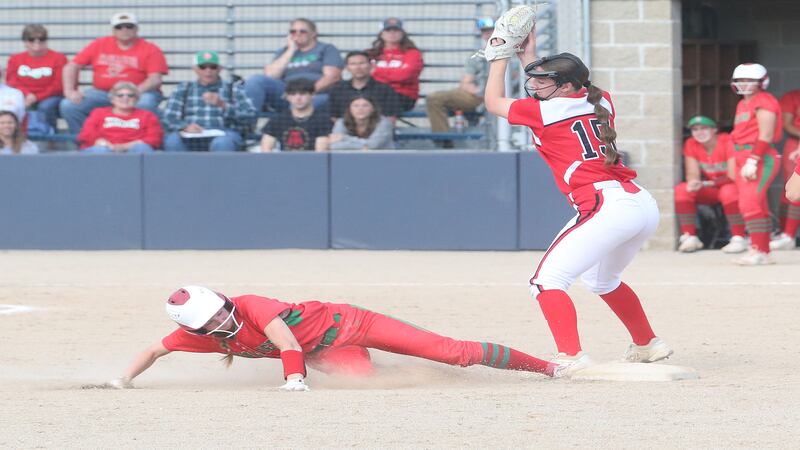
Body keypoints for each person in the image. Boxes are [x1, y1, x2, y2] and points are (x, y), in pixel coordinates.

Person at [481, 6, 671, 376]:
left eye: (543, 81)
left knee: (545, 281)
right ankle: (648, 343)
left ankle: (571, 356)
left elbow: (491, 102)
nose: (534, 86)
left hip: (605, 204)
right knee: (602, 280)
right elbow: (553, 95)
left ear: (566, 86)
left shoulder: (544, 112)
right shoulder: (600, 99)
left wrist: (498, 57)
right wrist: (529, 57)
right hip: (638, 202)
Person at [108, 285, 561, 390]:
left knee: (452, 352)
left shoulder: (250, 304)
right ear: (194, 328)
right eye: (208, 320)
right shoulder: (202, 339)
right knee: (366, 380)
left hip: (351, 323)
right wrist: (122, 381)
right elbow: (152, 349)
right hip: (326, 350)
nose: (221, 319)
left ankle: (548, 367)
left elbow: (287, 346)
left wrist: (293, 382)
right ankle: (426, 372)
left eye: (220, 308)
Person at [60, 12, 168, 134]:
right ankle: (86, 142)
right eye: (119, 27)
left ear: (137, 29)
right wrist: (69, 91)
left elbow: (155, 79)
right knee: (69, 105)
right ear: (113, 30)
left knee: (145, 104)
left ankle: (141, 142)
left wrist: (133, 92)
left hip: (139, 92)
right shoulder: (99, 44)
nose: (124, 30)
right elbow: (71, 67)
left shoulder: (150, 49)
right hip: (103, 93)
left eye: (129, 26)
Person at [727, 63, 783, 265]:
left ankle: (758, 250)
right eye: (741, 80)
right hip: (743, 155)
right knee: (756, 203)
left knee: (750, 202)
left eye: (750, 80)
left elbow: (766, 135)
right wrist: (735, 161)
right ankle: (763, 250)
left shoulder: (764, 100)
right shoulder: (742, 103)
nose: (744, 84)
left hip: (760, 156)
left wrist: (753, 159)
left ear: (761, 82)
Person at [674, 115, 746, 253]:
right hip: (711, 188)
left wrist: (706, 183)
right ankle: (689, 237)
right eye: (695, 129)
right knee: (683, 189)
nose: (699, 132)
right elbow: (692, 173)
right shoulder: (691, 143)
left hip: (729, 185)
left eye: (704, 128)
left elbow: (732, 175)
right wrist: (694, 182)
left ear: (714, 130)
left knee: (728, 192)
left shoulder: (726, 140)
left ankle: (739, 237)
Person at [162, 51, 256, 152]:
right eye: (203, 67)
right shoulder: (183, 89)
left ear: (220, 69)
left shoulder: (233, 89)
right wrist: (184, 127)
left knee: (222, 143)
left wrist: (224, 105)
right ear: (195, 69)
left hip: (224, 133)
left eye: (213, 67)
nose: (208, 71)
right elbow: (168, 118)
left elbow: (251, 116)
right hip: (190, 134)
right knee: (172, 141)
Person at [245, 18, 343, 112]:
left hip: (316, 94)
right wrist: (291, 50)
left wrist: (305, 93)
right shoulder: (284, 51)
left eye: (302, 31)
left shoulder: (326, 49)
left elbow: (332, 77)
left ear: (314, 33)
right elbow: (270, 75)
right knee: (256, 80)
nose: (297, 34)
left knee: (299, 105)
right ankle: (247, 125)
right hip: (287, 93)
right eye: (293, 31)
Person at [425, 17, 495, 149]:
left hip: (502, 98)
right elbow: (465, 83)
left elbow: (515, 80)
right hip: (479, 96)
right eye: (484, 31)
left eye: (491, 30)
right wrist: (479, 91)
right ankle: (444, 142)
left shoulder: (514, 52)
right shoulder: (478, 55)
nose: (487, 33)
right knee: (434, 98)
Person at [6, 24, 67, 131]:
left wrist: (36, 97)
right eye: (31, 40)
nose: (37, 43)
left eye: (41, 39)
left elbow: (58, 85)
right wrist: (27, 94)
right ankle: (17, 139)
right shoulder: (15, 59)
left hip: (51, 96)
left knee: (46, 107)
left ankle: (49, 137)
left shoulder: (58, 58)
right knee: (13, 105)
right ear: (25, 42)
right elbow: (12, 81)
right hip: (24, 95)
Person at [77, 82, 162, 153]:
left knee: (142, 148)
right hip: (105, 149)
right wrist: (103, 143)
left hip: (133, 150)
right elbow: (86, 134)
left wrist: (125, 146)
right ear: (112, 99)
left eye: (130, 95)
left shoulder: (147, 116)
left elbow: (154, 138)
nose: (125, 98)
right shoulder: (98, 113)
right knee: (101, 150)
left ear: (137, 99)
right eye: (120, 95)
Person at [367, 18, 424, 112]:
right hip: (375, 93)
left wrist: (376, 71)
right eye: (388, 30)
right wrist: (393, 75)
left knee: (376, 102)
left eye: (396, 30)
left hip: (403, 96)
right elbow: (361, 74)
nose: (392, 33)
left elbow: (405, 75)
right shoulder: (370, 53)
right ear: (382, 34)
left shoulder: (412, 53)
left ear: (402, 34)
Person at [328, 51, 402, 121]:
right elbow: (334, 117)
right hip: (345, 131)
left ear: (371, 65)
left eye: (362, 63)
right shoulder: (338, 89)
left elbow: (390, 118)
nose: (358, 67)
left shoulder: (385, 89)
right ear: (347, 68)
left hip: (378, 132)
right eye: (353, 64)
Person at [260, 78, 331, 152]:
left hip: (311, 161)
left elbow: (320, 152)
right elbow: (266, 149)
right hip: (284, 161)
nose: (298, 98)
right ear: (288, 97)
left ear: (312, 95)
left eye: (302, 94)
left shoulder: (322, 120)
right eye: (293, 94)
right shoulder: (278, 119)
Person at [771, 88, 800, 250]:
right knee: (792, 190)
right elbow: (787, 124)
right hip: (795, 142)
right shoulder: (792, 96)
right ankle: (786, 234)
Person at [329, 96, 394, 150]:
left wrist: (344, 138)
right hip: (351, 159)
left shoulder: (384, 122)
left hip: (383, 159)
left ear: (373, 109)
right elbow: (334, 145)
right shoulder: (341, 122)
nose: (360, 109)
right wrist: (363, 146)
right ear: (349, 109)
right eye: (355, 106)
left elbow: (373, 145)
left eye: (365, 106)